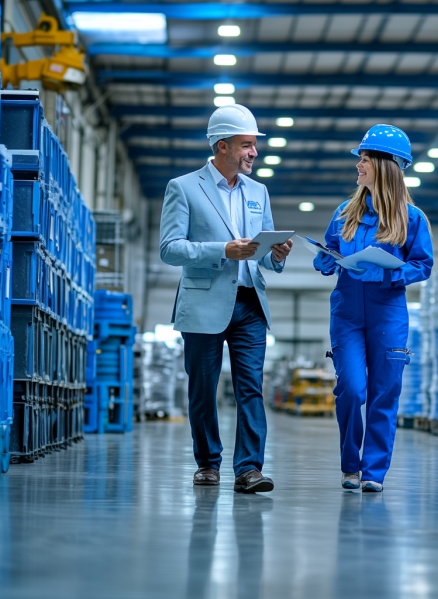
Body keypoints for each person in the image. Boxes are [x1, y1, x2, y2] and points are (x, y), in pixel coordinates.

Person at [160, 104, 293, 493]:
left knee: (250, 386)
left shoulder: (259, 192)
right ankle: (207, 463)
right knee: (203, 387)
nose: (254, 153)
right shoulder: (183, 188)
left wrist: (276, 255)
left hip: (250, 302)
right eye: (247, 145)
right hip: (203, 301)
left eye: (254, 146)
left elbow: (263, 251)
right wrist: (222, 250)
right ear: (223, 146)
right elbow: (170, 249)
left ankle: (249, 468)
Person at [313, 124, 433, 492]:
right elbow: (326, 252)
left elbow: (423, 265)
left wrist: (389, 275)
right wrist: (327, 261)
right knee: (351, 388)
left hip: (389, 312)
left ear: (385, 166)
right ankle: (350, 464)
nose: (359, 166)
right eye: (360, 159)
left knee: (384, 392)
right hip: (347, 311)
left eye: (365, 160)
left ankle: (373, 473)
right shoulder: (344, 212)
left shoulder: (411, 218)